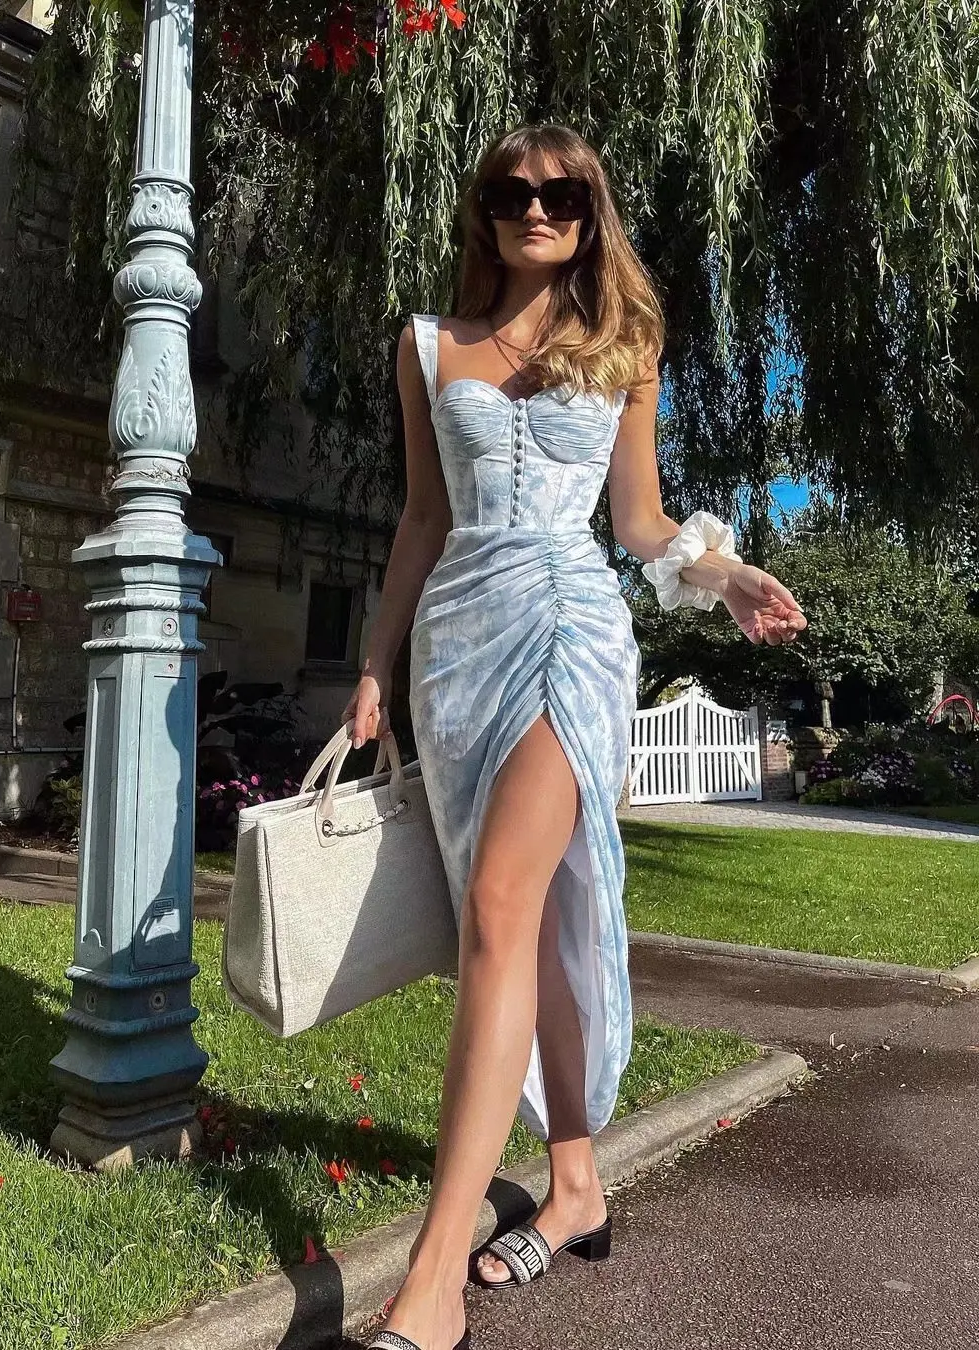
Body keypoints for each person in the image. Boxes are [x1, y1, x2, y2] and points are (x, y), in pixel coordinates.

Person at [341, 123, 807, 1350]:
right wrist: (373, 666)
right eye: (511, 192)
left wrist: (729, 572)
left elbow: (641, 523)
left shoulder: (626, 344)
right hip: (459, 641)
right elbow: (422, 519)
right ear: (483, 209)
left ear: (588, 212)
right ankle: (578, 1182)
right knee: (524, 922)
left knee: (504, 903)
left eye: (560, 194)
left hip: (577, 631)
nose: (534, 210)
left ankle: (432, 1280)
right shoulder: (427, 346)